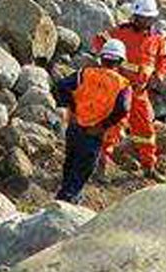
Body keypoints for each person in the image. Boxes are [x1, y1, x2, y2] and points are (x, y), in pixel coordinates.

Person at [96, 0, 166, 176]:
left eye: (148, 18)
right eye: (141, 17)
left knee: (145, 129)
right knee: (113, 126)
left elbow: (165, 60)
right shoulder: (121, 32)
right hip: (119, 90)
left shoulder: (157, 39)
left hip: (140, 92)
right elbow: (99, 41)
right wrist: (108, 65)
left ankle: (148, 166)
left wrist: (159, 75)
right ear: (134, 16)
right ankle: (101, 165)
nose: (144, 21)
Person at [52, 38, 131, 203]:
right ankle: (67, 200)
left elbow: (61, 86)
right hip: (93, 133)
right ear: (121, 61)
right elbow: (123, 108)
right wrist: (103, 126)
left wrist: (73, 109)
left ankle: (66, 194)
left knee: (71, 162)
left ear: (101, 58)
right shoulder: (122, 85)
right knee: (82, 169)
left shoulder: (85, 73)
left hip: (74, 128)